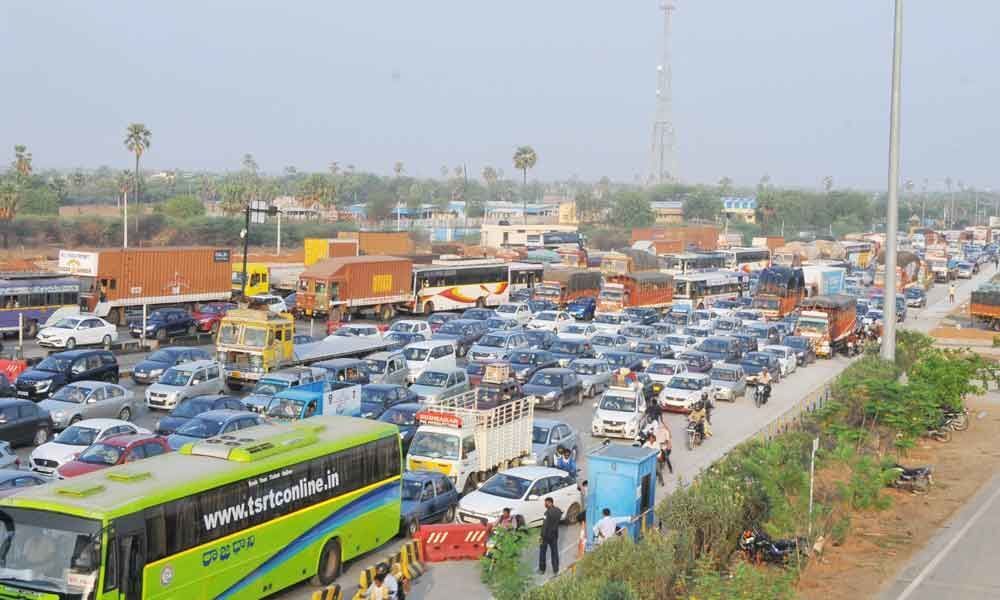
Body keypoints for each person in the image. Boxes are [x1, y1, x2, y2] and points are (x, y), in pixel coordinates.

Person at [538, 497, 562, 575]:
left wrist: (541, 536)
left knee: (542, 552)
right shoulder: (558, 510)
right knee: (554, 552)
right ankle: (555, 570)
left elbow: (544, 526)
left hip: (546, 536)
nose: (545, 504)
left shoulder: (547, 513)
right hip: (554, 535)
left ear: (550, 502)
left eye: (546, 503)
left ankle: (542, 569)